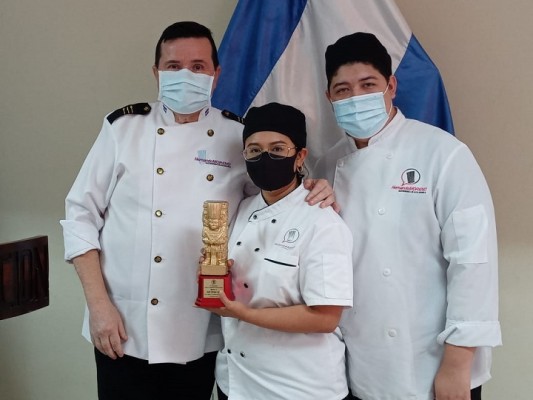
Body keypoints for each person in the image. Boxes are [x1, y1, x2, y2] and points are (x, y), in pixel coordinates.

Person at [61, 21, 335, 400]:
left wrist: (314, 185)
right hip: (121, 324)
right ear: (156, 73)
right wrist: (98, 306)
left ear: (215, 74)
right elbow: (80, 216)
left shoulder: (234, 136)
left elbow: (274, 198)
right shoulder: (122, 128)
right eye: (173, 66)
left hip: (199, 328)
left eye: (198, 66)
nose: (185, 75)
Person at [314, 32, 501, 400]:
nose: (356, 99)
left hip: (434, 366)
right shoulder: (326, 164)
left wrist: (457, 365)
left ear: (391, 86)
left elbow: (473, 263)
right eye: (343, 90)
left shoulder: (443, 154)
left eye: (368, 85)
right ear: (329, 97)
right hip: (358, 366)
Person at [206, 102, 354, 400]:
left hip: (298, 388)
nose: (265, 158)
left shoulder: (321, 220)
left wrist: (243, 313)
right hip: (236, 382)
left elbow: (324, 318)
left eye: (278, 149)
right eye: (254, 150)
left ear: (300, 157)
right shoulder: (242, 210)